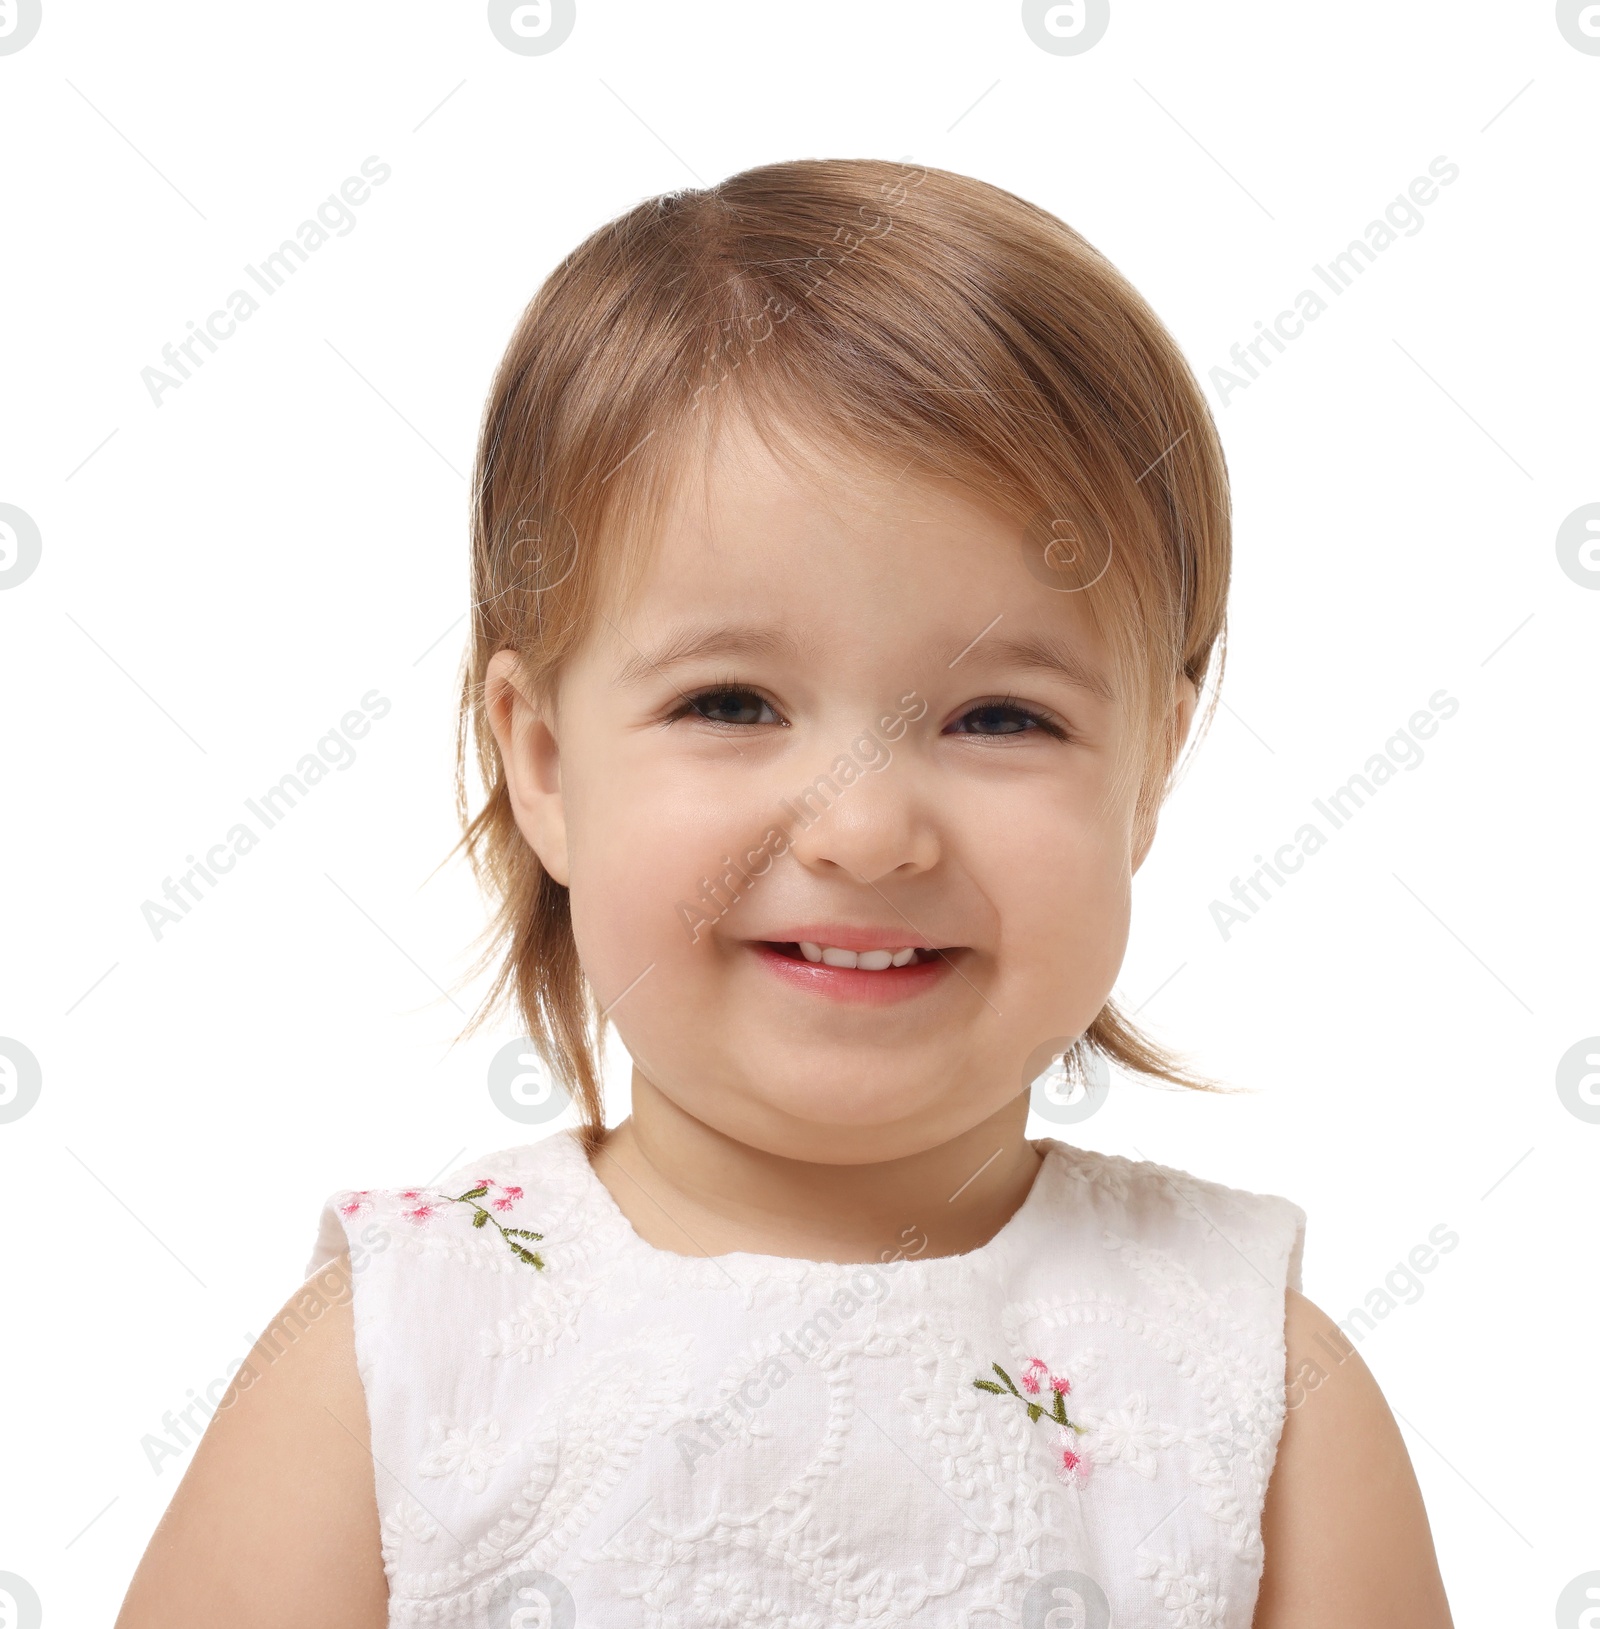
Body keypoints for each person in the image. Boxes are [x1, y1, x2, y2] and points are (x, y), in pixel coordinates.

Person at [116, 157, 1453, 1628]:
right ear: (548, 763)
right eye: (735, 702)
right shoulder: (394, 1364)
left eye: (1000, 717)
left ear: (1150, 771)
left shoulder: (1258, 1394)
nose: (868, 830)